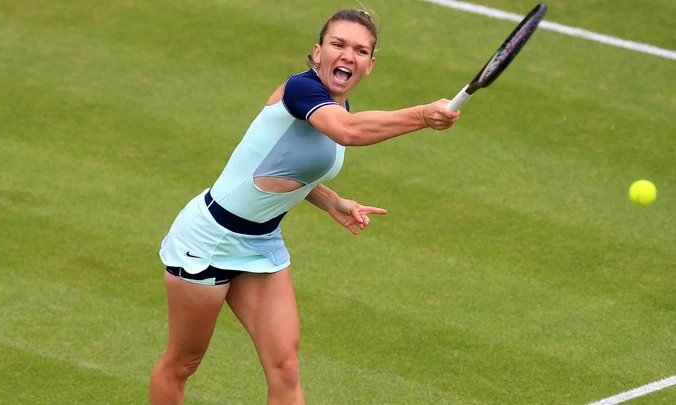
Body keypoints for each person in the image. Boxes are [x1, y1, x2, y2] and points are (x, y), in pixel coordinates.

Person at [149, 8, 459, 405]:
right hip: (208, 239)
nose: (348, 55)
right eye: (338, 45)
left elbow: (277, 166)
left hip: (260, 245)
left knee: (286, 369)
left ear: (370, 66)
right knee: (183, 363)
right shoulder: (301, 90)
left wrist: (333, 201)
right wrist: (420, 116)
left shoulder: (334, 107)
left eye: (360, 50)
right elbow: (348, 133)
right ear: (317, 52)